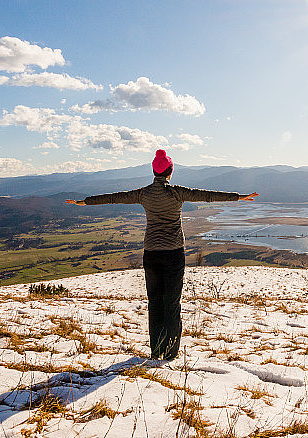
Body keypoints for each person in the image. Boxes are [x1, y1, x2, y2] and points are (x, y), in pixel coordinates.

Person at [66, 149, 258, 361]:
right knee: (172, 302)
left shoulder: (143, 194)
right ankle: (171, 352)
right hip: (174, 253)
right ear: (170, 171)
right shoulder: (177, 192)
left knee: (155, 302)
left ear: (154, 172)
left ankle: (156, 350)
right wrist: (239, 197)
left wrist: (85, 202)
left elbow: (114, 198)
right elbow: (208, 196)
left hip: (151, 254)